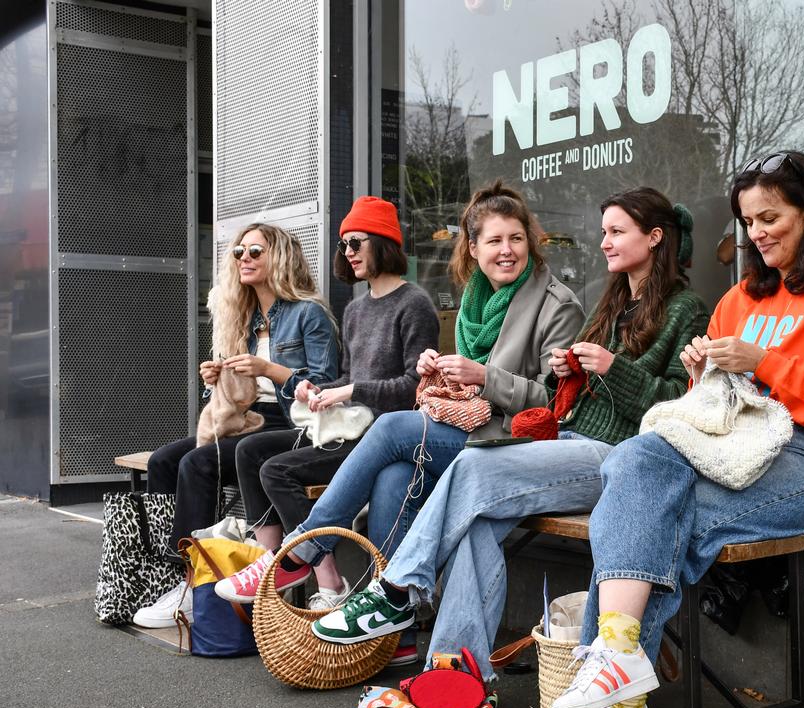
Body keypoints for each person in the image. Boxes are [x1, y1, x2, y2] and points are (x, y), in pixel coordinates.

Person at [530, 151, 804, 708]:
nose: (758, 233)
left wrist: (763, 362)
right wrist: (702, 378)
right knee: (640, 467)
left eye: (771, 217)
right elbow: (703, 407)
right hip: (731, 449)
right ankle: (617, 672)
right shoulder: (740, 298)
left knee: (639, 511)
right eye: (749, 221)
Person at [306, 187, 710, 682]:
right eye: (604, 232)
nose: (603, 242)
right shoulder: (613, 300)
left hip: (622, 459)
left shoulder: (687, 308)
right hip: (569, 441)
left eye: (615, 232)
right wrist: (572, 374)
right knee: (470, 519)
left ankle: (395, 591)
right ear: (473, 248)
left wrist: (608, 368)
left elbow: (677, 404)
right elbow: (570, 400)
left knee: (461, 462)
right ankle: (455, 675)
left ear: (654, 238)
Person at [214, 182, 584, 628]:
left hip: (516, 445)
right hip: (469, 428)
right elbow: (437, 384)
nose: (506, 251)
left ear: (530, 240)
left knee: (389, 431)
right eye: (494, 241)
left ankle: (303, 549)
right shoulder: (474, 299)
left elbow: (559, 405)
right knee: (393, 476)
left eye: (516, 239)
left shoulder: (556, 304)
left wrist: (483, 377)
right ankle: (395, 626)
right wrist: (441, 371)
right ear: (473, 247)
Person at [231, 197, 439, 618]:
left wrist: (348, 393)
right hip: (343, 425)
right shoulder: (356, 308)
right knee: (249, 450)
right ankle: (268, 558)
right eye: (343, 244)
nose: (348, 252)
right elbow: (346, 377)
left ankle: (324, 576)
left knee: (277, 469)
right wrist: (316, 390)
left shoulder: (414, 303)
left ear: (384, 243)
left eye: (357, 242)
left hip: (381, 434)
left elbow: (415, 387)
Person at [134, 224, 339, 628]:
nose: (244, 258)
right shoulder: (242, 317)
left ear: (278, 257)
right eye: (239, 252)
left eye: (255, 252)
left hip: (287, 423)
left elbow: (326, 384)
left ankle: (198, 583)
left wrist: (270, 369)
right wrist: (216, 380)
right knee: (162, 461)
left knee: (196, 463)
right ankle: (172, 572)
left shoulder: (308, 313)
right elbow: (237, 393)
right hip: (244, 422)